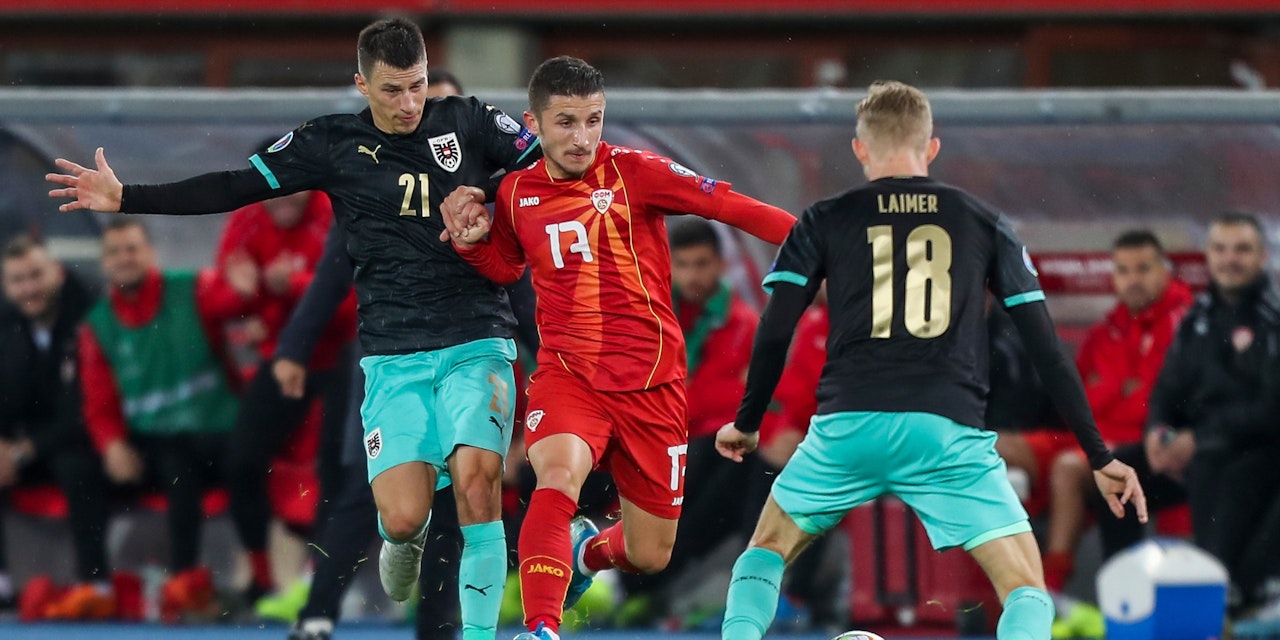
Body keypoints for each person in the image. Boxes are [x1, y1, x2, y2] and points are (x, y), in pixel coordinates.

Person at [46, 19, 542, 640]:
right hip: (392, 354)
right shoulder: (330, 143)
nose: (410, 103)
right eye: (392, 90)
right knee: (404, 517)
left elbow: (550, 169)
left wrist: (489, 189)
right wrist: (128, 197)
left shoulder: (469, 120)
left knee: (478, 487)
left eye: (417, 86)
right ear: (361, 83)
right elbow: (234, 185)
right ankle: (401, 537)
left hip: (478, 339)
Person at [711, 81, 1146, 640]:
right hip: (947, 432)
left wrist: (747, 423)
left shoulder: (823, 218)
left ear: (860, 149)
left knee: (765, 553)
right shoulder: (983, 220)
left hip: (848, 426)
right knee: (1023, 587)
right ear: (931, 147)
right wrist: (1098, 454)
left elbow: (774, 332)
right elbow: (1046, 352)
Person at [438, 55, 796, 640]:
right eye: (566, 123)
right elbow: (504, 266)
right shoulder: (514, 194)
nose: (581, 138)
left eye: (593, 121)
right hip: (569, 373)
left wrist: (816, 244)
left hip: (652, 384)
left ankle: (585, 555)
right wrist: (473, 247)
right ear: (535, 123)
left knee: (650, 552)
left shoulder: (635, 172)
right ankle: (541, 628)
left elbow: (729, 206)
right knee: (555, 475)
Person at [1107, 212, 1280, 618]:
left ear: (1262, 257)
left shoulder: (1273, 321)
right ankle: (1120, 595)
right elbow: (1168, 389)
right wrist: (1158, 432)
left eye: (1242, 249)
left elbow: (1271, 408)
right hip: (1190, 447)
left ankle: (1222, 587)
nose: (1230, 259)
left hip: (1254, 448)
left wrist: (1199, 439)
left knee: (1219, 464)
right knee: (1120, 473)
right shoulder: (1196, 318)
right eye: (1220, 249)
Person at [78, 218, 251, 621]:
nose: (125, 258)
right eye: (115, 252)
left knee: (206, 461)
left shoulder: (191, 287)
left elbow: (230, 301)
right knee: (84, 466)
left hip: (218, 430)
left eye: (133, 248)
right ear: (104, 263)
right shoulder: (97, 326)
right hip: (153, 446)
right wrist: (112, 445)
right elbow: (98, 402)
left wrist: (244, 292)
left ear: (150, 253)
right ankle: (98, 586)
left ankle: (230, 583)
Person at [215, 184, 357, 607]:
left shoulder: (337, 212)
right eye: (271, 195)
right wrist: (246, 294)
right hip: (284, 354)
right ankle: (260, 577)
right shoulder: (244, 220)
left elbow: (352, 303)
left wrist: (289, 284)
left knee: (338, 464)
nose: (281, 204)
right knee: (241, 460)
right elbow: (218, 301)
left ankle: (324, 580)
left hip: (342, 353)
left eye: (290, 193)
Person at [616, 217, 762, 625]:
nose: (692, 275)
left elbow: (731, 403)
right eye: (682, 265)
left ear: (720, 264)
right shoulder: (652, 315)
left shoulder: (744, 325)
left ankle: (639, 585)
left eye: (701, 264)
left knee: (727, 466)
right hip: (656, 438)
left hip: (701, 445)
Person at [0, 234, 112, 619]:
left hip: (80, 438)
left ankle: (96, 582)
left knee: (75, 465)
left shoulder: (91, 317)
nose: (28, 288)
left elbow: (85, 408)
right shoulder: (5, 328)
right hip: (24, 444)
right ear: (6, 287)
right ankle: (2, 584)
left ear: (57, 273)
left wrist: (20, 450)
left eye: (35, 275)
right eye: (18, 280)